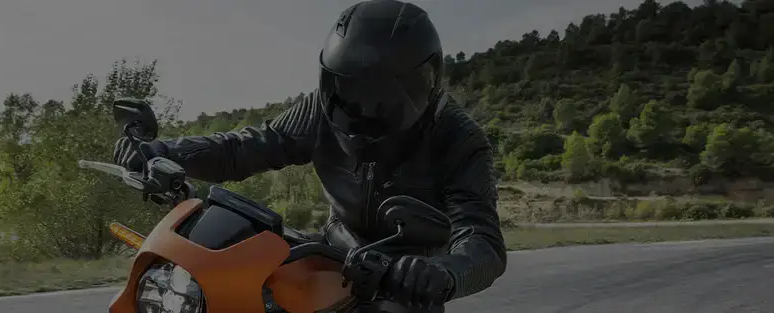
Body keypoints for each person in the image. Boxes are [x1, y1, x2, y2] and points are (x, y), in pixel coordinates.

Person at [112, 0, 505, 311]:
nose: (354, 111)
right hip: (330, 254)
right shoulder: (322, 109)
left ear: (424, 85)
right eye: (343, 91)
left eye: (377, 99)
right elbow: (245, 148)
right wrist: (163, 152)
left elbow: (482, 242)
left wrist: (440, 273)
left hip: (402, 277)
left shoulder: (459, 139)